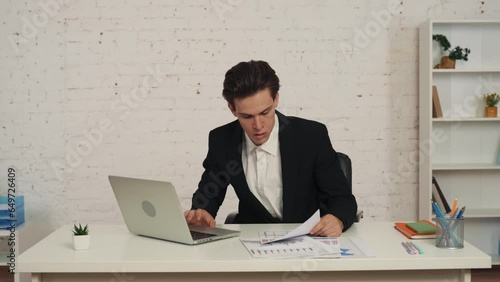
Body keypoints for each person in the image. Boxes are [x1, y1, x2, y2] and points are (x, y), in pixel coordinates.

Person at [184, 60, 357, 237]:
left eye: (265, 113)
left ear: (276, 99)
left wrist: (337, 219)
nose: (258, 125)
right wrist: (201, 213)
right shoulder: (222, 140)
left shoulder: (311, 136)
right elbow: (209, 194)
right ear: (232, 109)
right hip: (252, 243)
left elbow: (343, 199)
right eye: (247, 116)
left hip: (309, 238)